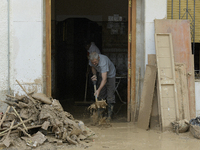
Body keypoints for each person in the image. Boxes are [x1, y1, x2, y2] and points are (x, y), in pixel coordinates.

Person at [89, 52, 116, 121]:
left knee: (110, 95)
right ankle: (101, 114)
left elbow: (104, 79)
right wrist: (94, 75)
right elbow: (93, 67)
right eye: (93, 62)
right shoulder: (91, 60)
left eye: (95, 62)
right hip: (101, 74)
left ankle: (109, 115)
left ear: (99, 58)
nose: (94, 63)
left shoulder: (103, 62)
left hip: (110, 75)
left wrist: (98, 89)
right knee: (101, 95)